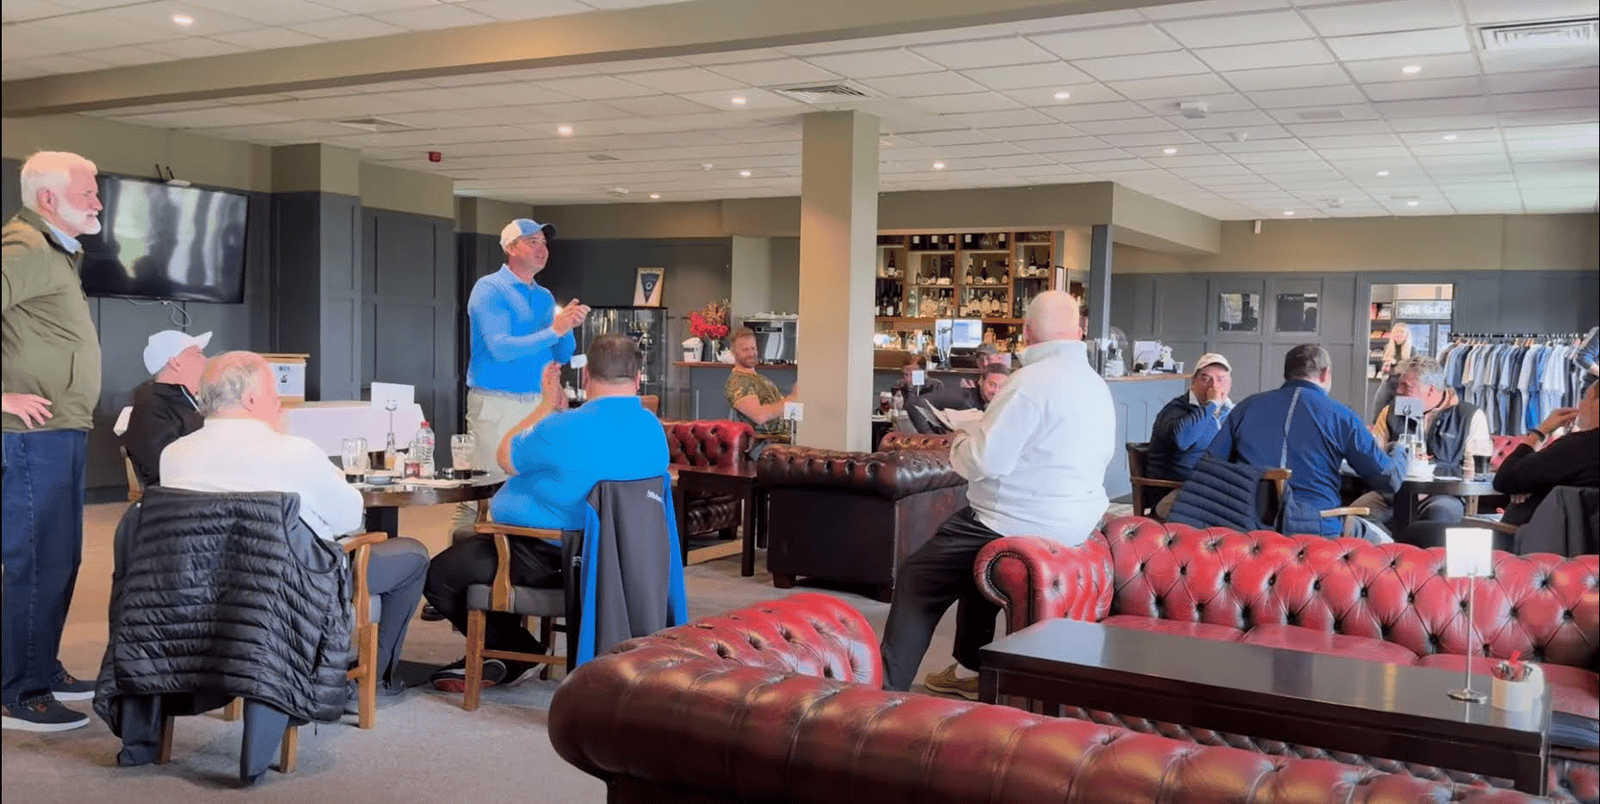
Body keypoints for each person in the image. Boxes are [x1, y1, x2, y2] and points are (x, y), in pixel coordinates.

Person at [879, 291, 1113, 700]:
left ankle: (884, 691)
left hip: (1019, 520)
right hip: (1078, 523)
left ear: (1027, 333)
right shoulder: (1096, 385)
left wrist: (962, 438)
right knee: (976, 560)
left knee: (918, 577)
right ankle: (970, 670)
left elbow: (982, 462)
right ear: (1079, 332)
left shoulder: (1029, 383)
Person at [162, 352, 427, 711]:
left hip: (203, 589)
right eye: (274, 393)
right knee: (412, 555)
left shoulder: (173, 455)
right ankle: (376, 681)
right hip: (292, 592)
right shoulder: (294, 451)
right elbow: (350, 519)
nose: (280, 403)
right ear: (251, 399)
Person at [426, 334, 668, 691]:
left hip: (550, 556)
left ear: (586, 377)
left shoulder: (561, 427)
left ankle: (515, 650)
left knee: (438, 574)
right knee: (469, 544)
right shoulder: (652, 429)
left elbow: (505, 456)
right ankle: (506, 653)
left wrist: (545, 406)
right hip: (623, 562)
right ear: (637, 379)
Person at [2, 151, 104, 732]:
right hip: (30, 436)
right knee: (37, 563)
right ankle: (20, 693)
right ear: (48, 199)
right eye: (88, 194)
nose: (97, 203)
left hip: (59, 430)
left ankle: (39, 667)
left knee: (58, 560)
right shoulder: (26, 248)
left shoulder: (55, 250)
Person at [455, 218, 590, 532]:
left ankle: (520, 556)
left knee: (533, 486)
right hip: (497, 403)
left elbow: (561, 354)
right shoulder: (490, 289)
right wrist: (554, 330)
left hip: (538, 405)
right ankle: (468, 556)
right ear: (511, 248)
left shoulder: (544, 297)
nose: (542, 249)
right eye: (532, 242)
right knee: (486, 491)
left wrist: (567, 327)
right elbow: (501, 348)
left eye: (544, 243)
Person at [1206, 344, 1404, 543]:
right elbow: (1388, 478)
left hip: (1247, 528)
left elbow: (1211, 465)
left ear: (1286, 374)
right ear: (1325, 374)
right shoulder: (1342, 416)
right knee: (1390, 550)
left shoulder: (1246, 407)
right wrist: (1399, 449)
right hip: (1318, 530)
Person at [1355, 355, 1492, 528]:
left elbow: (1474, 472)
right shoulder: (1391, 411)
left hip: (1444, 496)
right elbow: (1375, 456)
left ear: (1430, 390)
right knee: (1354, 517)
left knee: (1438, 517)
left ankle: (1408, 543)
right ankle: (1388, 544)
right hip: (1393, 494)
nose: (1398, 391)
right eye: (1399, 385)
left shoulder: (1469, 416)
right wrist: (1391, 450)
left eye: (1406, 386)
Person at [1493, 379, 1600, 526]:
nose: (1579, 405)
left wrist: (1543, 430)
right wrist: (1531, 485)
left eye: (1585, 398)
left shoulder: (1581, 446)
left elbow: (1504, 479)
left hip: (1548, 538)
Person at [1145, 353, 1234, 517]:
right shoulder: (1176, 410)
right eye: (1206, 379)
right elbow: (1183, 439)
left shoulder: (1229, 413)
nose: (1214, 386)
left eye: (1221, 379)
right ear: (1194, 382)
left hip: (1208, 488)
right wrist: (1211, 404)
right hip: (1174, 492)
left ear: (1229, 384)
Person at [120, 329, 212, 488]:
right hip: (183, 496)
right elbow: (164, 466)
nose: (206, 361)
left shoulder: (183, 402)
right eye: (198, 355)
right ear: (175, 362)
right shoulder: (152, 407)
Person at [724, 327, 797, 444]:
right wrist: (791, 399)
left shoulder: (760, 379)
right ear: (733, 352)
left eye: (753, 348)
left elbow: (781, 412)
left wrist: (798, 402)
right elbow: (760, 416)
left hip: (784, 443)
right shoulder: (738, 382)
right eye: (745, 350)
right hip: (764, 448)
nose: (751, 353)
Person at [907, 364, 1010, 434]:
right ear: (981, 381)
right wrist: (932, 437)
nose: (996, 391)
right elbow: (913, 402)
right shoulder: (962, 398)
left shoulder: (1001, 403)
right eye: (992, 385)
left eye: (1001, 386)